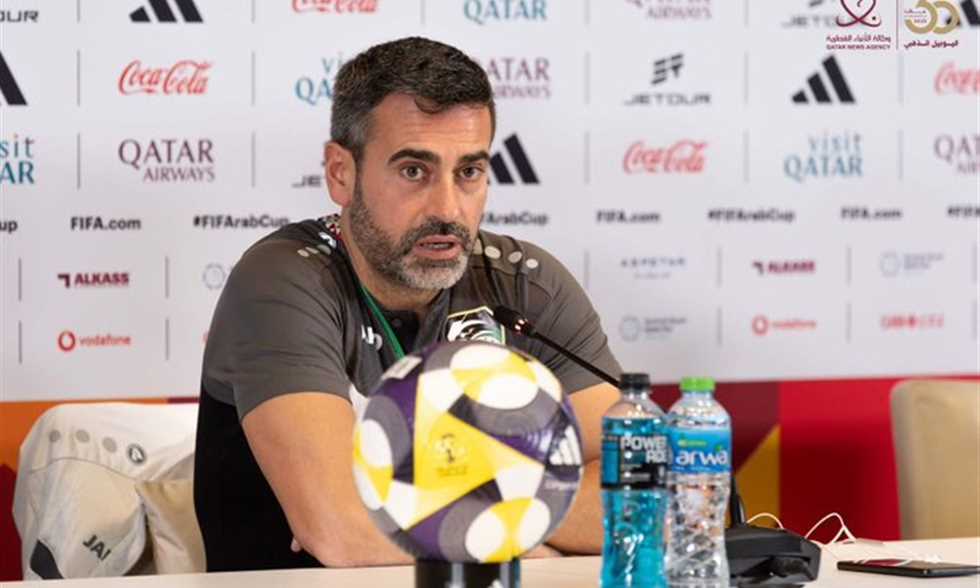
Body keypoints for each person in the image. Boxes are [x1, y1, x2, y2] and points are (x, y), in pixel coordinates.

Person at [193, 36, 622, 572]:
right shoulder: (283, 281)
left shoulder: (526, 284)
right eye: (414, 171)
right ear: (341, 173)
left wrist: (489, 523)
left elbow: (641, 492)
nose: (448, 209)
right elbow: (342, 531)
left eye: (469, 172)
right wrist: (536, 523)